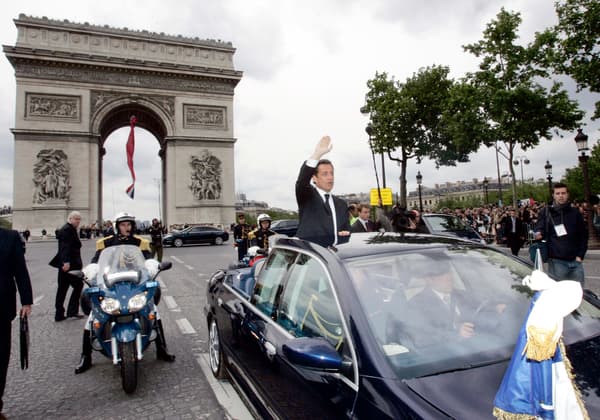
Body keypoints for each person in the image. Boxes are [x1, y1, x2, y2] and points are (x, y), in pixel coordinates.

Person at [75, 212, 174, 374]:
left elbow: (148, 260)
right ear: (117, 226)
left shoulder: (140, 242)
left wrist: (154, 267)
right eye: (123, 225)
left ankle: (161, 348)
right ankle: (86, 356)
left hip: (133, 283)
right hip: (111, 284)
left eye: (129, 225)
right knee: (93, 316)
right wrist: (89, 272)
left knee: (154, 312)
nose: (126, 228)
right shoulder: (105, 243)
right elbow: (96, 262)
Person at [408, 259, 506, 347]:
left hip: (479, 347)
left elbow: (479, 307)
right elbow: (421, 338)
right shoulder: (416, 304)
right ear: (428, 279)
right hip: (447, 356)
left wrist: (495, 308)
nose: (449, 277)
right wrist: (456, 334)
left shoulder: (463, 295)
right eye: (442, 274)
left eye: (449, 272)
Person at [0, 228, 32, 419]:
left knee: (1, 358)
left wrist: (27, 300)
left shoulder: (10, 237)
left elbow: (20, 269)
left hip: (1, 307)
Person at [295, 136, 350, 247]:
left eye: (332, 173)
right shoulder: (307, 196)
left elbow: (346, 232)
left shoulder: (342, 204)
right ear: (314, 178)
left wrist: (346, 233)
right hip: (311, 258)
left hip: (334, 258)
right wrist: (317, 154)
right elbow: (302, 181)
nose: (330, 177)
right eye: (325, 174)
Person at [534, 183, 587, 284]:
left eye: (563, 193)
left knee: (578, 294)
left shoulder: (575, 213)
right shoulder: (545, 212)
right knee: (558, 295)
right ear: (553, 195)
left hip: (575, 261)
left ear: (568, 194)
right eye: (557, 193)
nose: (561, 196)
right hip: (556, 261)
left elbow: (583, 235)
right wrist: (538, 233)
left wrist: (580, 255)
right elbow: (539, 227)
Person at [50, 211, 83, 321]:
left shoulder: (69, 229)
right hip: (69, 265)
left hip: (66, 264)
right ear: (70, 219)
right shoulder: (67, 230)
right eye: (76, 219)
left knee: (62, 289)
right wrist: (66, 262)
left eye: (79, 219)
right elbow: (65, 247)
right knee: (78, 286)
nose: (78, 221)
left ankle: (59, 314)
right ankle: (72, 311)